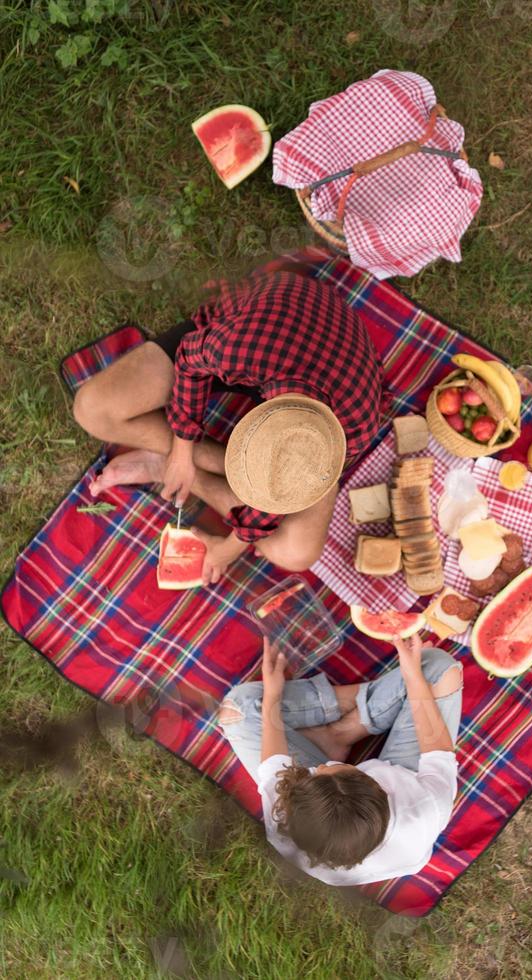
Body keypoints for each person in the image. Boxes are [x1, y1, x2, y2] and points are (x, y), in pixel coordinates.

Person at [72, 266, 384, 581]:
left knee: (296, 552)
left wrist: (231, 546)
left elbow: (279, 494)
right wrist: (182, 448)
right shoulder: (237, 349)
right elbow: (191, 361)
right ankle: (181, 462)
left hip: (323, 382)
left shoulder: (354, 429)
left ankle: (161, 466)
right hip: (262, 329)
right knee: (93, 409)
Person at [217, 634, 463, 885]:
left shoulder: (288, 820)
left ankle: (336, 734)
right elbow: (437, 750)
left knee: (238, 709)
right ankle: (353, 721)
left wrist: (272, 694)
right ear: (379, 785)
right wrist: (412, 677)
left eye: (314, 772)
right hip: (404, 773)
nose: (320, 766)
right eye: (335, 767)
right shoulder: (424, 809)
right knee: (439, 667)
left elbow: (274, 763)